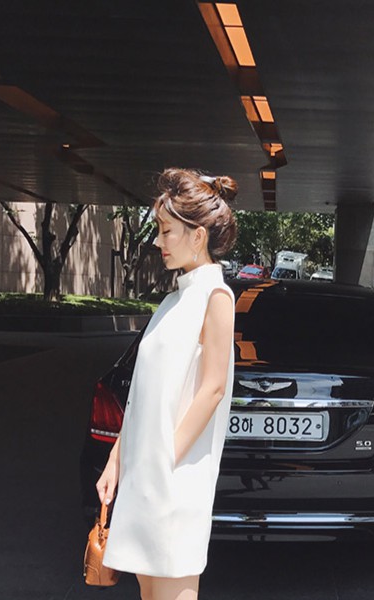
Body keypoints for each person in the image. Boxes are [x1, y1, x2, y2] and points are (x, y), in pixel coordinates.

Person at [96, 168, 238, 600]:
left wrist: (164, 459)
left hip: (175, 477)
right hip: (145, 473)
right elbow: (143, 394)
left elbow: (213, 389)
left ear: (198, 235)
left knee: (173, 589)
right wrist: (117, 459)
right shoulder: (173, 300)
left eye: (166, 231)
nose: (158, 241)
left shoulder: (216, 296)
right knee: (149, 590)